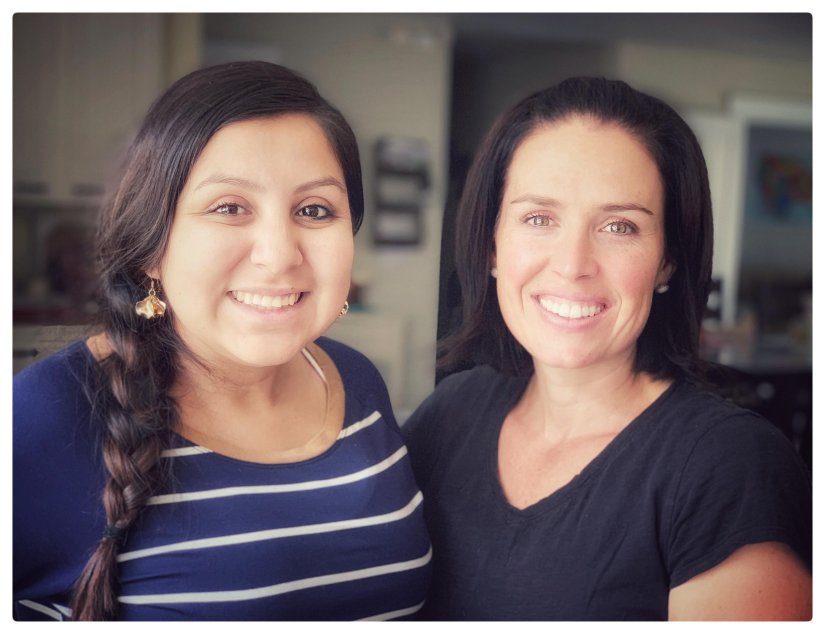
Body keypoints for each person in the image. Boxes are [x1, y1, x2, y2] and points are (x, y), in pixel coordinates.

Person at [13, 61, 431, 621]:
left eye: (314, 210)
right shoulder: (51, 411)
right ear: (151, 246)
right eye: (229, 208)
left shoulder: (357, 381)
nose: (279, 255)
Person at [403, 77, 811, 620]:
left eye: (619, 226)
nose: (573, 264)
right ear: (492, 244)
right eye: (539, 218)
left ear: (667, 261)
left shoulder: (729, 465)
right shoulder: (449, 413)